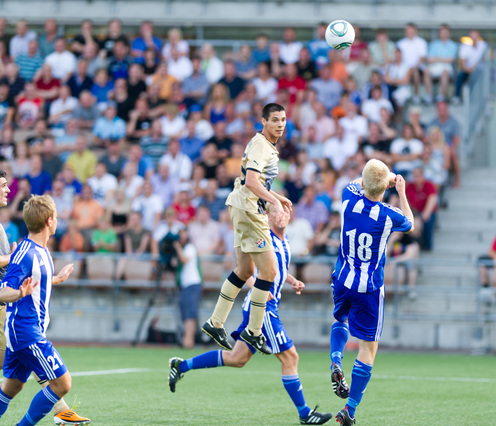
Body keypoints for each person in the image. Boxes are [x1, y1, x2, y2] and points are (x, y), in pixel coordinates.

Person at [168, 204, 332, 425]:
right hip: (261, 308)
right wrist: (260, 290)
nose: (281, 214)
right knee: (291, 357)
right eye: (276, 211)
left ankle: (181, 365)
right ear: (268, 216)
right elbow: (245, 272)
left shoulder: (284, 240)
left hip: (260, 307)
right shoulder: (263, 239)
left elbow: (278, 267)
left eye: (284, 210)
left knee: (237, 359)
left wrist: (292, 281)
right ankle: (305, 413)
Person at [0, 169, 87, 426]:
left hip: (3, 301)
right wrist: (15, 257)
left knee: (7, 369)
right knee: (24, 357)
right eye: (4, 186)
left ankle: (55, 407)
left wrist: (50, 277)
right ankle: (58, 407)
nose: (9, 190)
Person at [202, 103, 292, 355]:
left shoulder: (264, 145)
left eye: (283, 119)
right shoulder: (262, 145)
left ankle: (215, 322)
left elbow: (249, 180)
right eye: (274, 119)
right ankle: (253, 332)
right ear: (263, 121)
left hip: (242, 206)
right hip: (250, 211)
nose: (280, 124)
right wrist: (273, 201)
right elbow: (252, 181)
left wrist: (276, 195)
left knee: (244, 270)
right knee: (269, 271)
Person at [328, 159, 413, 425]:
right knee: (369, 347)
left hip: (343, 279)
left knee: (339, 320)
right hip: (369, 289)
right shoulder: (389, 215)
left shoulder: (347, 197)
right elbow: (410, 222)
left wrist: (380, 179)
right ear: (385, 188)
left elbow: (360, 182)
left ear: (363, 183)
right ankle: (349, 411)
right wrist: (400, 190)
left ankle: (335, 361)